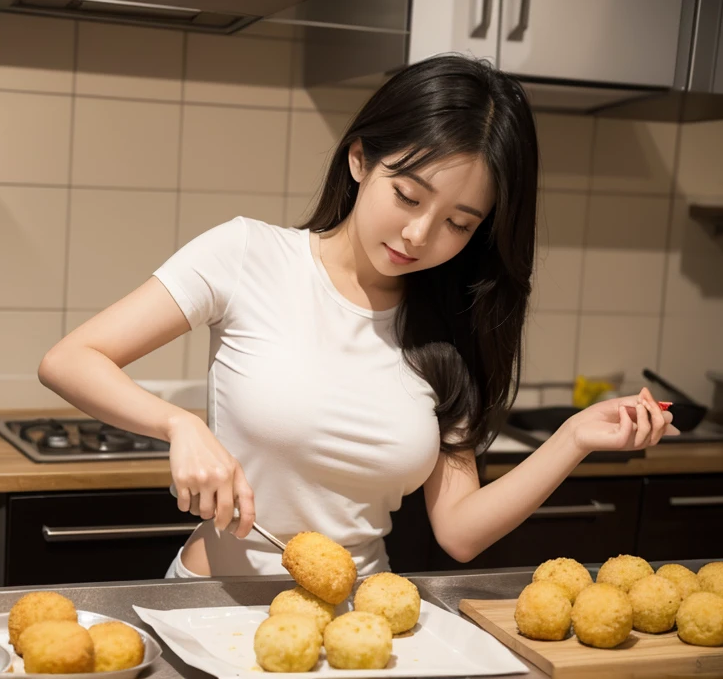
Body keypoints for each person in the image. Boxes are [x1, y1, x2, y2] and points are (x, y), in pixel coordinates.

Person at [38, 54, 677, 579]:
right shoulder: (247, 254)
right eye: (407, 194)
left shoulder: (448, 329)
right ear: (360, 159)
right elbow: (69, 360)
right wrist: (179, 425)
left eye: (459, 223)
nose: (420, 234)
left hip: (360, 626)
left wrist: (573, 438)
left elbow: (458, 531)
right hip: (213, 609)